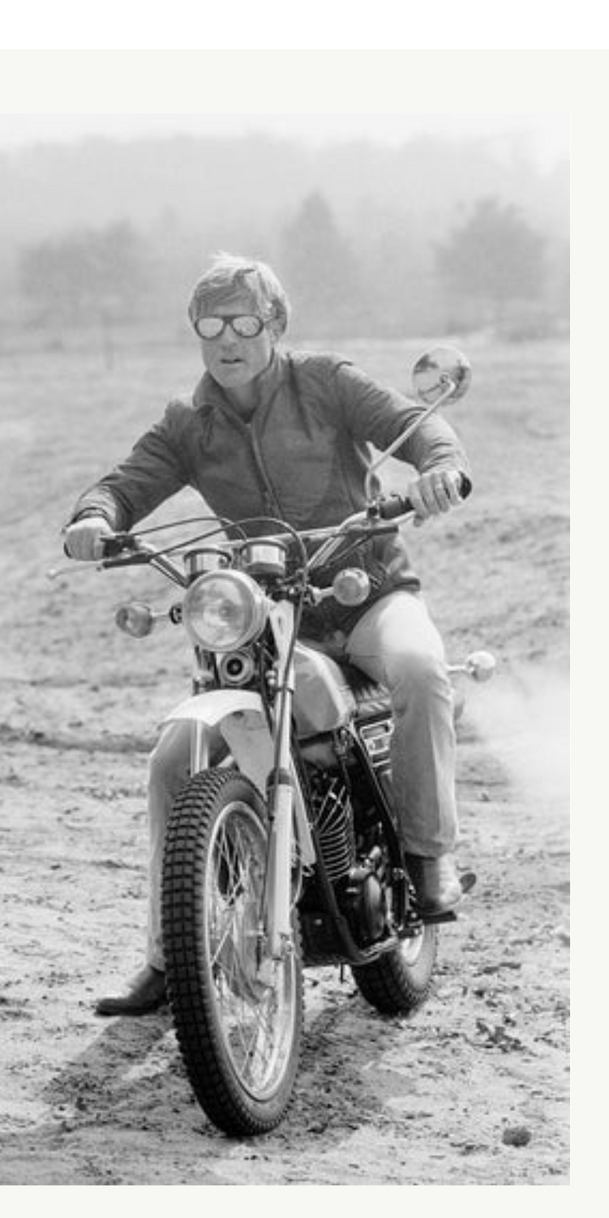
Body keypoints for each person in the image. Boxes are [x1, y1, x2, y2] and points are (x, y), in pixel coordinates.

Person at [62, 254, 474, 1016]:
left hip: (364, 594)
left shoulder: (326, 382)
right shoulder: (187, 424)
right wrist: (96, 518)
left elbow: (415, 428)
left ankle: (427, 857)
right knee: (169, 762)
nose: (228, 339)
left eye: (245, 322)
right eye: (211, 324)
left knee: (420, 669)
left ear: (274, 326)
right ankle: (169, 954)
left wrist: (440, 467)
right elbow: (125, 483)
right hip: (266, 610)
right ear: (196, 332)